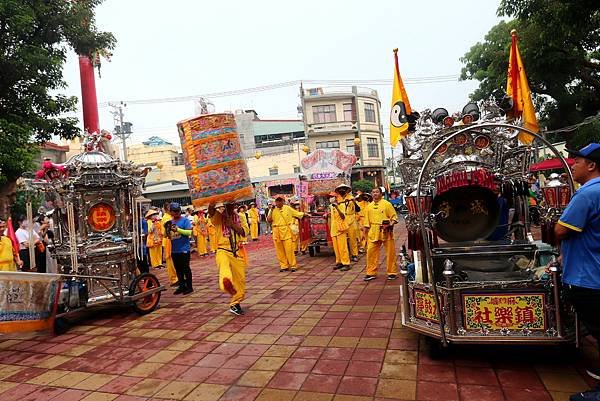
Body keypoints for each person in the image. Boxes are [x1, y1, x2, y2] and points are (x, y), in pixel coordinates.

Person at [553, 143, 600, 401]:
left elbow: (561, 230)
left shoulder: (587, 194)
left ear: (591, 165)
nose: (573, 165)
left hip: (588, 276)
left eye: (578, 161)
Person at [208, 202, 248, 315]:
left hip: (237, 251)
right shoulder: (218, 217)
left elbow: (244, 232)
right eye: (225, 205)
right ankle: (227, 284)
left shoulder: (240, 216)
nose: (228, 207)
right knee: (224, 271)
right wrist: (211, 199)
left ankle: (235, 304)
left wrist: (232, 224)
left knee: (240, 281)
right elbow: (211, 211)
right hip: (222, 250)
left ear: (234, 205)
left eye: (231, 204)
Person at [362, 187, 398, 281]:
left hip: (386, 230)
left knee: (390, 252)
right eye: (373, 192)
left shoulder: (387, 204)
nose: (375, 194)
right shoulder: (369, 206)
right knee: (371, 252)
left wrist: (390, 225)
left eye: (377, 192)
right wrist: (364, 234)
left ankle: (392, 272)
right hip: (373, 231)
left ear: (381, 194)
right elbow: (366, 222)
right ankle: (371, 272)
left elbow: (394, 217)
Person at [267, 196, 304, 272]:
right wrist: (271, 210)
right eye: (277, 201)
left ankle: (293, 265)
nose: (279, 203)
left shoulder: (287, 208)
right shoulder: (272, 209)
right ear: (275, 202)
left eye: (280, 201)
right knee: (279, 250)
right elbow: (269, 219)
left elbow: (297, 214)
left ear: (283, 201)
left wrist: (305, 214)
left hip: (286, 231)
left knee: (289, 249)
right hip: (276, 231)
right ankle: (284, 266)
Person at [168, 202, 193, 295]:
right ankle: (182, 286)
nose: (177, 212)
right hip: (175, 249)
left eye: (178, 210)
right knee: (178, 269)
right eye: (174, 211)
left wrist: (178, 230)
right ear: (171, 212)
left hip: (184, 249)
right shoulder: (170, 222)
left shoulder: (185, 220)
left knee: (186, 268)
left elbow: (189, 233)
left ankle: (189, 287)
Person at [335, 184, 360, 262]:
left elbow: (358, 209)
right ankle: (344, 256)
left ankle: (354, 254)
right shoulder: (338, 199)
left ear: (346, 190)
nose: (342, 190)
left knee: (352, 238)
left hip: (351, 219)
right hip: (341, 220)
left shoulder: (351, 198)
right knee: (342, 239)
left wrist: (354, 202)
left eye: (343, 189)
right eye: (340, 189)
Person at [329, 193, 351, 271]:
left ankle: (346, 263)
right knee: (336, 248)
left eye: (332, 197)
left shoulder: (342, 205)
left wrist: (337, 208)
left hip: (340, 229)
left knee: (343, 247)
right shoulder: (331, 206)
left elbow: (343, 216)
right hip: (334, 229)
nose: (331, 198)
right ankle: (339, 262)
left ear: (336, 197)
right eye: (330, 197)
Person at [161, 202, 179, 287]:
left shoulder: (170, 217)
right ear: (166, 209)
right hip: (168, 240)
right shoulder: (166, 218)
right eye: (170, 208)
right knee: (170, 260)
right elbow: (168, 231)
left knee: (174, 259)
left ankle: (177, 277)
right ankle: (173, 279)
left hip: (172, 240)